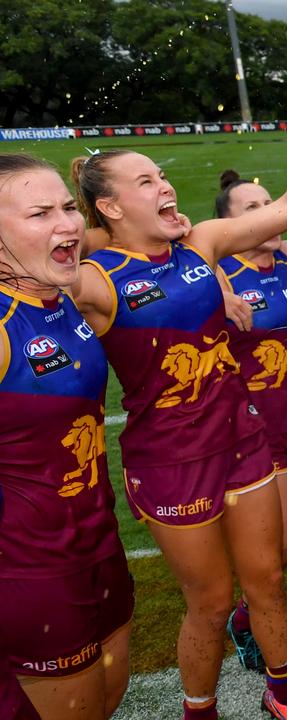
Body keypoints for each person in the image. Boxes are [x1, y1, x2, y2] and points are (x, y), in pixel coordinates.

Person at [70, 118, 287, 720]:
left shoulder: (202, 244)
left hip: (242, 439)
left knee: (266, 582)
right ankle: (200, 709)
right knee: (208, 603)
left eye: (162, 176)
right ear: (109, 206)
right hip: (171, 463)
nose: (165, 187)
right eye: (145, 181)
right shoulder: (94, 283)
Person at [0, 154, 133, 719]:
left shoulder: (60, 294)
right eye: (38, 212)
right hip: (31, 573)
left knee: (108, 698)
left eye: (66, 207)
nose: (68, 223)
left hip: (99, 544)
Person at [213, 171, 287, 663]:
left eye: (271, 201)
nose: (269, 211)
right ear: (228, 226)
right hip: (256, 424)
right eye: (252, 209)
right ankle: (244, 615)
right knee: (283, 536)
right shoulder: (216, 270)